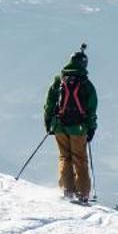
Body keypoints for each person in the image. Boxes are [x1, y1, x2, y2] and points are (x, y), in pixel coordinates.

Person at [43, 46, 97, 203]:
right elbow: (92, 110)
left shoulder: (59, 81)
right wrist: (91, 128)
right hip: (78, 128)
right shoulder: (87, 85)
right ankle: (83, 194)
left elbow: (49, 104)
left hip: (59, 125)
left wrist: (49, 123)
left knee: (65, 157)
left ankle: (67, 190)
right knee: (80, 159)